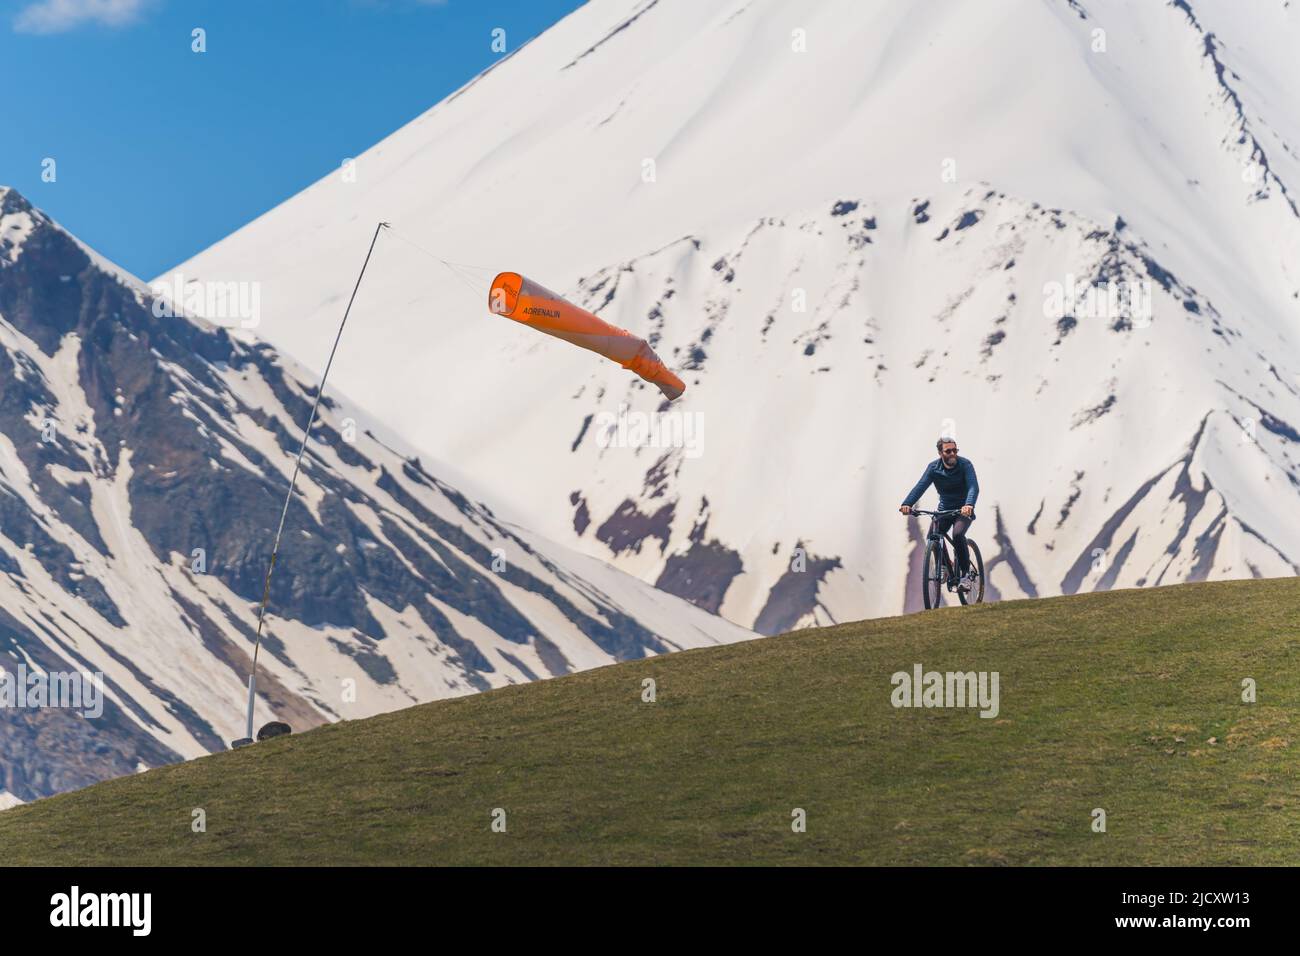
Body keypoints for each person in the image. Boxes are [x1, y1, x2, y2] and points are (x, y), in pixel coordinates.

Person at [899, 437, 979, 590]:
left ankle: (966, 575)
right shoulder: (934, 468)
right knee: (933, 535)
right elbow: (920, 486)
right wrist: (907, 503)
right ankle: (943, 566)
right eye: (948, 451)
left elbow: (973, 487)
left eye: (955, 450)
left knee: (957, 534)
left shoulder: (965, 465)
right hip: (945, 510)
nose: (952, 454)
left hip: (963, 510)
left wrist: (969, 504)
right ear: (940, 453)